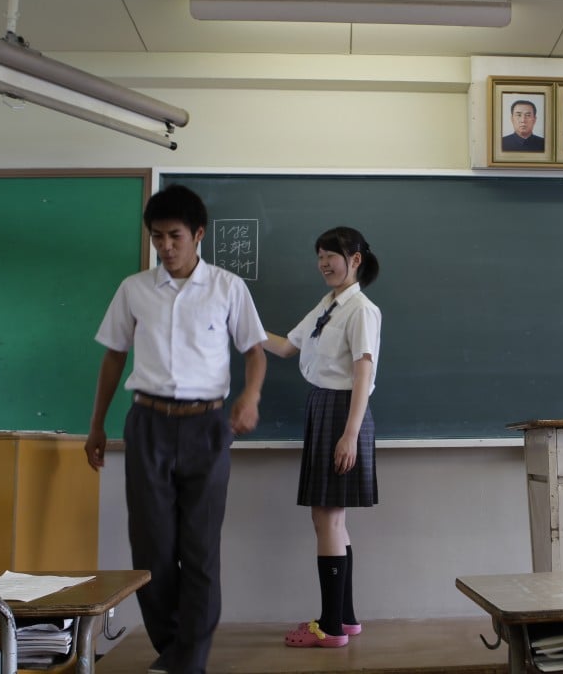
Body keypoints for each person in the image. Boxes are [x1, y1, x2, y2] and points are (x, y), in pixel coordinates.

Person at [83, 184, 267, 674]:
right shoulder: (134, 289)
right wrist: (97, 424)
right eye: (157, 237)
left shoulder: (228, 287)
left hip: (208, 426)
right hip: (147, 425)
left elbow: (254, 350)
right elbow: (114, 356)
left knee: (200, 549)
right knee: (152, 549)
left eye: (175, 236)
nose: (165, 246)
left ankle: (189, 661)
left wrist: (250, 397)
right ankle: (173, 650)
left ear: (198, 234)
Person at [263, 226, 381, 649]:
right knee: (332, 520)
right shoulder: (329, 304)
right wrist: (239, 323)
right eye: (319, 255)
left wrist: (349, 435)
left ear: (356, 260)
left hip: (343, 411)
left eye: (332, 254)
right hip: (324, 407)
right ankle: (345, 618)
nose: (324, 263)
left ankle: (329, 628)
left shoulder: (360, 309)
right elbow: (284, 348)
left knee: (327, 518)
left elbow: (363, 373)